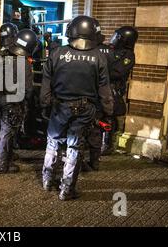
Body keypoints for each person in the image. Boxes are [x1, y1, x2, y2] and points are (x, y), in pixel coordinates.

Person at [40, 15, 113, 200]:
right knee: (75, 147)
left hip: (59, 107)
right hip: (84, 109)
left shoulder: (57, 53)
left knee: (53, 142)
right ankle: (67, 189)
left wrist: (45, 104)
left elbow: (46, 82)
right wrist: (108, 112)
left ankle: (47, 180)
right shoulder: (99, 57)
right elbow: (104, 89)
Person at [0, 29, 36, 173]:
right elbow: (28, 90)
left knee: (6, 132)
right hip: (12, 103)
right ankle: (2, 165)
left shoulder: (0, 58)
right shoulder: (23, 63)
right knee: (6, 134)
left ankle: (7, 157)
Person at [101, 26, 138, 155]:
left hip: (113, 90)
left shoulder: (128, 55)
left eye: (116, 36)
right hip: (101, 87)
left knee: (110, 116)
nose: (113, 38)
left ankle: (108, 144)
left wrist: (102, 70)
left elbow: (116, 72)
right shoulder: (107, 49)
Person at [82, 19, 112, 171]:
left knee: (80, 132)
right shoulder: (107, 51)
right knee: (95, 131)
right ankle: (95, 161)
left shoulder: (86, 51)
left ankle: (79, 162)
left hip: (87, 96)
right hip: (99, 97)